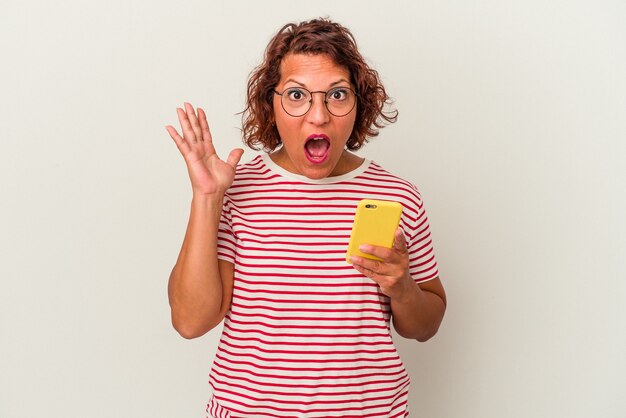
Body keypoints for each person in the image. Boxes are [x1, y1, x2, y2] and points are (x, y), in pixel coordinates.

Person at [165, 18, 446, 418]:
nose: (318, 116)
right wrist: (208, 197)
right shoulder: (237, 191)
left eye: (337, 95)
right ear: (271, 106)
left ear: (358, 105)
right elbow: (191, 322)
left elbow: (427, 325)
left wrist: (402, 289)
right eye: (297, 95)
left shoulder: (397, 196)